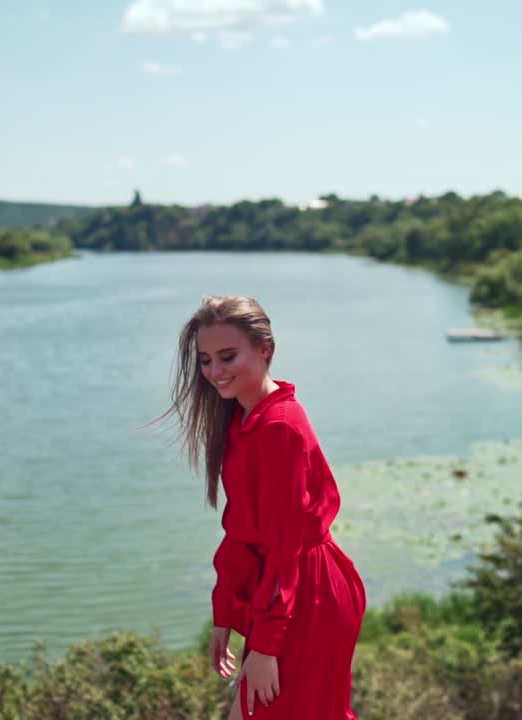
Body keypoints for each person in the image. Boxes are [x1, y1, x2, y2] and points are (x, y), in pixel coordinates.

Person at [164, 295, 366, 719]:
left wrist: (267, 645)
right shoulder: (242, 419)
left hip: (306, 596)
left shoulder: (279, 428)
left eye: (227, 356)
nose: (214, 372)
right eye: (205, 360)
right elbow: (241, 530)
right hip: (287, 590)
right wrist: (224, 613)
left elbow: (285, 543)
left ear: (265, 350)